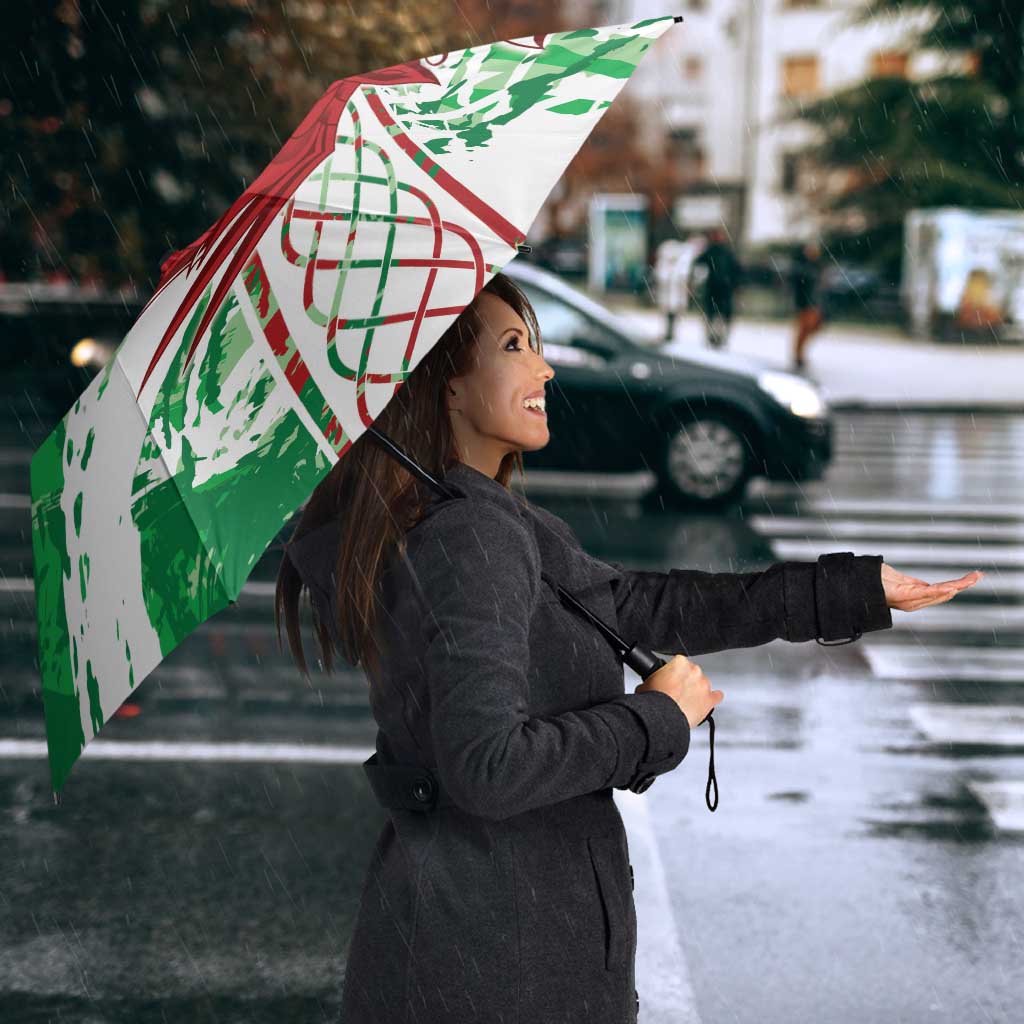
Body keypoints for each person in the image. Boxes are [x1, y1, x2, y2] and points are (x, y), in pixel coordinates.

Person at [276, 272, 980, 1024]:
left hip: (484, 943)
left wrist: (850, 590)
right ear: (446, 387)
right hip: (496, 963)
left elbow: (643, 605)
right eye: (515, 347)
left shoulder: (479, 519)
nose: (544, 368)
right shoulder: (469, 536)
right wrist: (654, 719)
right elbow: (487, 767)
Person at [692, 226, 742, 349]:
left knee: (720, 315)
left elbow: (736, 270)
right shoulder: (712, 251)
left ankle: (719, 337)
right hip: (715, 288)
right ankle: (713, 337)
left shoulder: (725, 252)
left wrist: (735, 284)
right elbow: (698, 264)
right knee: (713, 314)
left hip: (723, 288)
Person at [790, 239, 826, 371]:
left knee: (812, 328)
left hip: (814, 303)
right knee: (804, 329)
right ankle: (798, 355)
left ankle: (800, 354)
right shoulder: (802, 267)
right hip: (805, 303)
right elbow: (799, 286)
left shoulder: (817, 266)